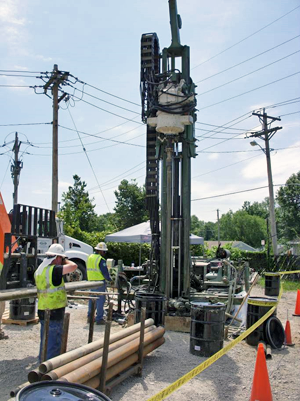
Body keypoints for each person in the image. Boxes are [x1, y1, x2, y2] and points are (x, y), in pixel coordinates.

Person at [34, 243, 77, 362]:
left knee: (45, 340)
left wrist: (61, 259)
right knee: (54, 343)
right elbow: (74, 266)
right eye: (61, 258)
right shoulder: (55, 270)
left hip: (43, 309)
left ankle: (41, 365)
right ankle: (50, 371)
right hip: (55, 310)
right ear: (58, 258)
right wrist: (65, 260)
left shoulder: (39, 270)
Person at [87, 242, 112, 325]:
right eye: (104, 251)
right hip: (99, 283)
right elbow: (105, 273)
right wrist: (110, 279)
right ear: (100, 251)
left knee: (92, 300)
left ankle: (90, 317)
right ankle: (99, 319)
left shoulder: (90, 257)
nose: (104, 253)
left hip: (91, 282)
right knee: (100, 301)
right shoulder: (100, 259)